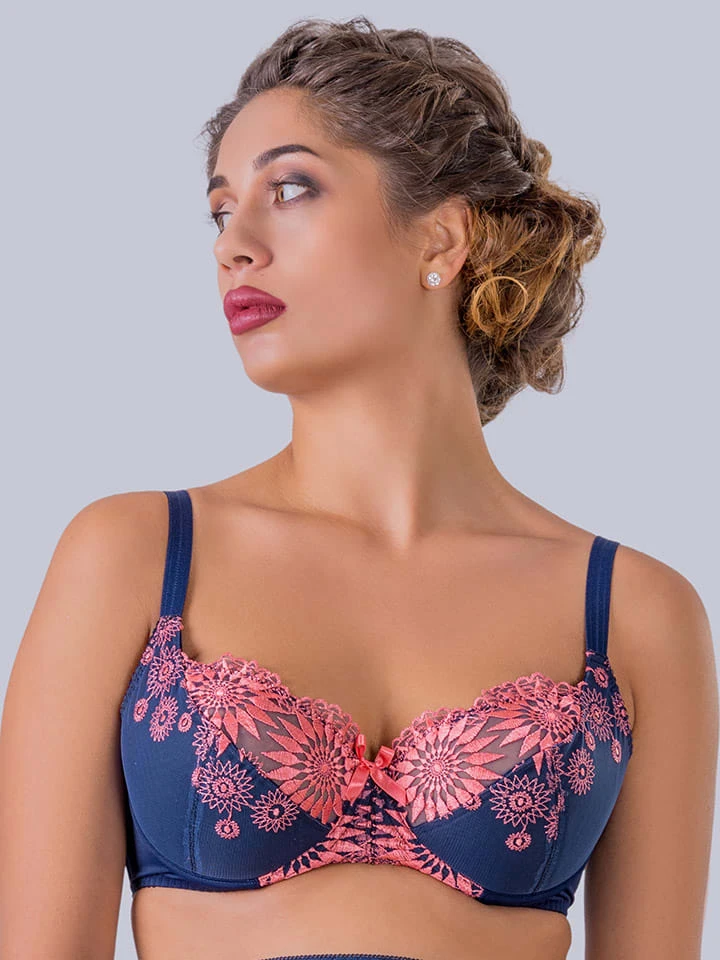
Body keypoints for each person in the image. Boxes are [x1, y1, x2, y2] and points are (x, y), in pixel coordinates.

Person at [0, 14, 716, 960]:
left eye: (290, 188)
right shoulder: (134, 555)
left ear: (442, 237)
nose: (233, 245)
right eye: (221, 210)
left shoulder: (636, 613)